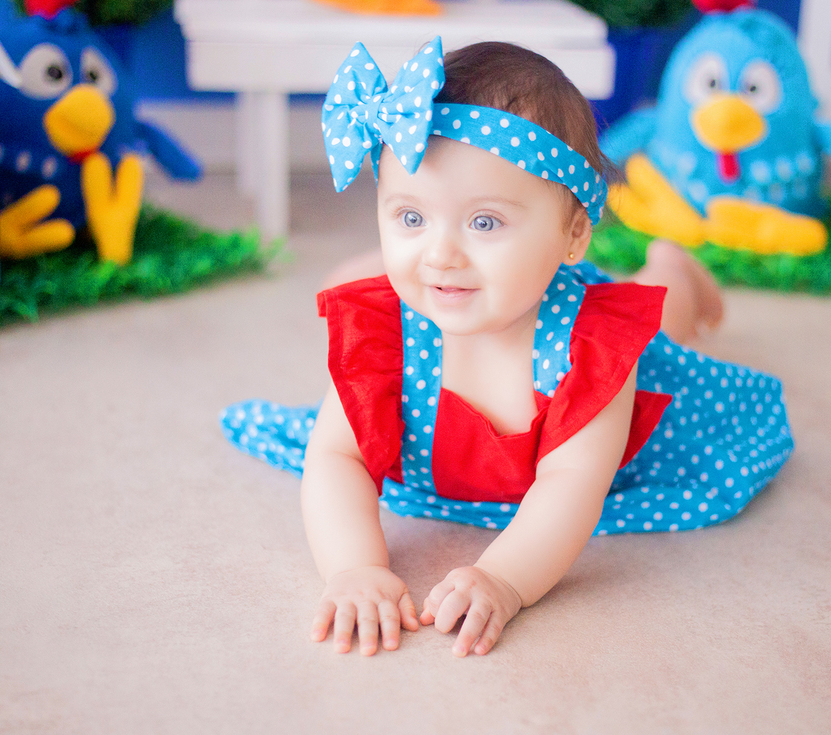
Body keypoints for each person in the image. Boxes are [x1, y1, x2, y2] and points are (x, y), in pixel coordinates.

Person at [222, 38, 793, 658]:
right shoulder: (385, 332)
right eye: (411, 218)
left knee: (660, 322)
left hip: (583, 330)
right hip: (496, 297)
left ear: (575, 234)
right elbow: (336, 458)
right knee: (366, 287)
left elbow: (571, 485)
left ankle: (675, 272)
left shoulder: (591, 354)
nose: (442, 253)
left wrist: (503, 580)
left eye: (485, 222)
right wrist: (353, 568)